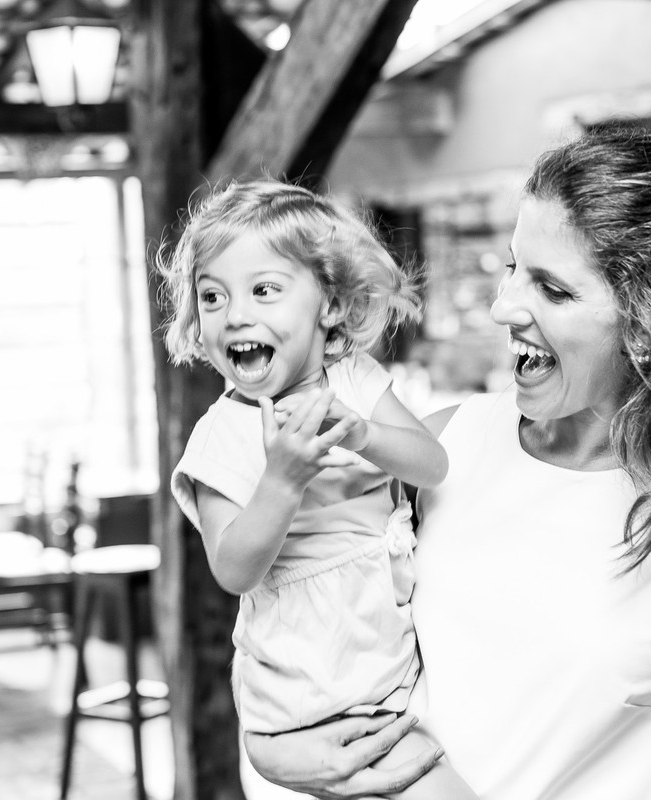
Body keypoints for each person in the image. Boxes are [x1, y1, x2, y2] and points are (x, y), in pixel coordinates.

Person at [243, 126, 651, 800]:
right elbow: (294, 631)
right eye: (514, 266)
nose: (503, 305)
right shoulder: (440, 448)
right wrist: (274, 748)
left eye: (553, 288)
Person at [163, 180, 477, 797]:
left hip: (381, 665)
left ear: (329, 305)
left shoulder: (355, 380)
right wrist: (281, 480)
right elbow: (233, 568)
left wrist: (364, 435)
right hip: (308, 689)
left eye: (264, 290)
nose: (236, 314)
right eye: (212, 297)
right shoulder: (221, 436)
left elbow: (431, 465)